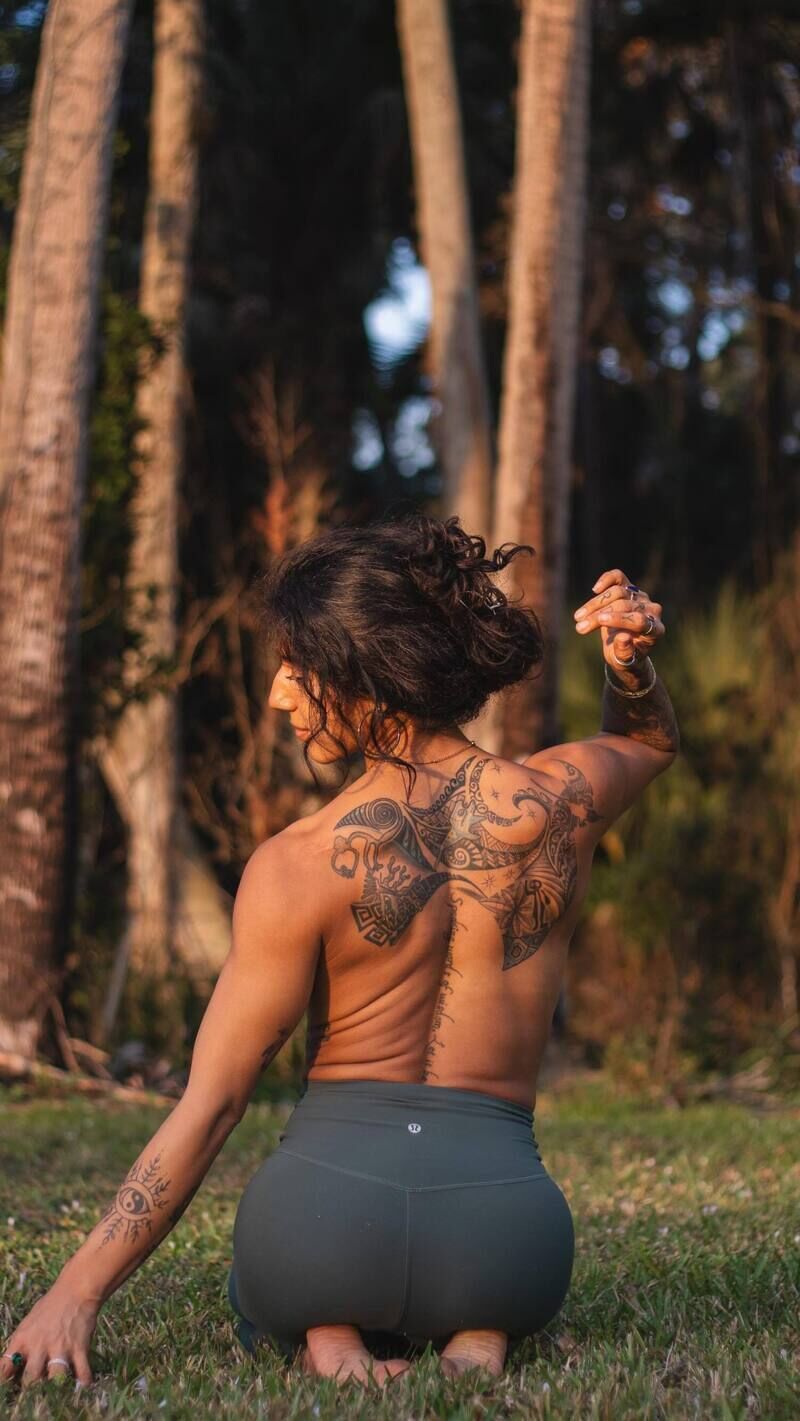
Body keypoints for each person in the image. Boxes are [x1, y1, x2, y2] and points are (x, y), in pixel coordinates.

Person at [0, 513, 679, 1389]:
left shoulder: (297, 863)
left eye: (298, 667)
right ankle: (477, 1338)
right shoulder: (557, 803)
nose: (279, 695)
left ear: (367, 678)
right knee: (486, 1276)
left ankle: (331, 1337)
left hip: (319, 1229)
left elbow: (212, 1105)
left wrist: (75, 1292)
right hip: (508, 1239)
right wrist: (630, 668)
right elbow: (646, 741)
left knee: (269, 1281)